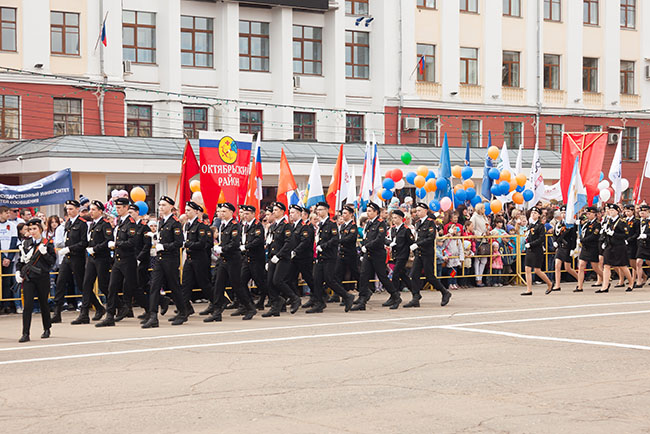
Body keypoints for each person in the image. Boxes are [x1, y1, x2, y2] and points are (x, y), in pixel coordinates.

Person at [142, 196, 185, 328]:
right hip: (160, 259)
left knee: (174, 286)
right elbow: (163, 237)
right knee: (154, 285)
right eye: (160, 205)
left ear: (171, 207)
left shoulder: (175, 222)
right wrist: (155, 238)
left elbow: (179, 242)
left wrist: (165, 246)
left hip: (170, 259)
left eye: (164, 205)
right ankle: (153, 316)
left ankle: (183, 312)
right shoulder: (161, 222)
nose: (161, 207)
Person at [96, 197, 138, 327]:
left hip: (128, 260)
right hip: (118, 261)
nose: (117, 210)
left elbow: (132, 242)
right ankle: (110, 316)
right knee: (112, 287)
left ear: (126, 208)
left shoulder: (130, 223)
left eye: (119, 207)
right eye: (116, 207)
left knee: (134, 287)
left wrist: (116, 244)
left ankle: (151, 308)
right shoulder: (120, 222)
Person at [352, 202, 401, 311]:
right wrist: (364, 249)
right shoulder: (369, 223)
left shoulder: (380, 223)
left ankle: (395, 296)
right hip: (368, 254)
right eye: (367, 211)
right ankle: (362, 300)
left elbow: (379, 239)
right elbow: (367, 237)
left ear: (376, 212)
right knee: (363, 276)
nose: (368, 213)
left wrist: (367, 246)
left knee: (382, 277)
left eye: (370, 211)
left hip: (377, 254)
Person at [307, 202, 353, 313]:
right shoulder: (320, 224)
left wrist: (323, 246)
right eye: (317, 210)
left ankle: (347, 296)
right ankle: (319, 303)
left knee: (330, 280)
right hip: (320, 257)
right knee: (316, 280)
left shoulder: (331, 224)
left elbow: (335, 239)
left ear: (327, 210)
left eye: (321, 209)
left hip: (329, 257)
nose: (318, 212)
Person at [15, 218, 55, 343]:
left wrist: (45, 254)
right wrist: (18, 271)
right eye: (30, 229)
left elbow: (52, 262)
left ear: (40, 229)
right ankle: (25, 333)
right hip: (29, 278)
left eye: (34, 229)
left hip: (42, 277)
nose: (32, 231)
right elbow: (21, 261)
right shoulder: (25, 243)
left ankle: (47, 328)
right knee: (27, 305)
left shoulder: (47, 243)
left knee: (43, 303)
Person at [71, 201, 111, 324]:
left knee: (104, 285)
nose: (91, 212)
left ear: (100, 211)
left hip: (101, 258)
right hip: (92, 259)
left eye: (94, 210)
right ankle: (84, 314)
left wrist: (95, 248)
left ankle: (116, 306)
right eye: (90, 209)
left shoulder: (105, 224)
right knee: (86, 284)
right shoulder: (92, 224)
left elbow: (108, 240)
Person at [407, 202, 452, 307]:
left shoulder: (430, 223)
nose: (417, 212)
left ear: (425, 211)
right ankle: (415, 297)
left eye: (419, 210)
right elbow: (417, 237)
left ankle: (445, 292)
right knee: (414, 275)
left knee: (429, 275)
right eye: (416, 210)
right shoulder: (418, 223)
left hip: (427, 253)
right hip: (419, 253)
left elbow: (430, 238)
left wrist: (417, 244)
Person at [261, 202, 301, 317]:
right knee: (269, 282)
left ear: (283, 212)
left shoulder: (286, 225)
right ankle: (276, 306)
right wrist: (269, 259)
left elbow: (289, 243)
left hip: (282, 257)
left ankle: (294, 298)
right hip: (273, 257)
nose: (274, 212)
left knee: (277, 280)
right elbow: (270, 243)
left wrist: (279, 255)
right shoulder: (273, 226)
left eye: (276, 210)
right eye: (273, 210)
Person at [52, 200, 88, 323]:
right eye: (67, 209)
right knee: (60, 283)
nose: (69, 211)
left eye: (71, 209)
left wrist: (70, 248)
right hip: (67, 258)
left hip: (77, 258)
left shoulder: (82, 223)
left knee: (82, 284)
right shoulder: (68, 223)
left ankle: (93, 308)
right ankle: (57, 312)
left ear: (78, 209)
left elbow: (84, 242)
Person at [178, 201, 212, 320]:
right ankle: (185, 309)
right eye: (186, 210)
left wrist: (187, 244)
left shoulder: (201, 226)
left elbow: (202, 244)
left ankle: (217, 303)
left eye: (189, 210)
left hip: (199, 259)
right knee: (185, 284)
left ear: (196, 211)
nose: (186, 213)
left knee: (204, 284)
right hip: (190, 258)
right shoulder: (187, 225)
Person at [239, 204, 268, 311]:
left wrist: (245, 247)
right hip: (247, 259)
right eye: (244, 213)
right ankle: (248, 303)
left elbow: (258, 240)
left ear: (252, 214)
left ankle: (272, 299)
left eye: (247, 214)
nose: (245, 216)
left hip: (256, 259)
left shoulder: (257, 225)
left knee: (260, 282)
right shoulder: (245, 226)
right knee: (241, 282)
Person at [599, 203, 633, 293]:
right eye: (610, 210)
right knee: (606, 265)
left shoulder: (622, 222)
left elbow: (625, 235)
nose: (611, 212)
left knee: (622, 266)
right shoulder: (608, 221)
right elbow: (605, 233)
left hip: (619, 246)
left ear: (617, 211)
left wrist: (614, 234)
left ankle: (630, 282)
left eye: (613, 210)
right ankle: (605, 286)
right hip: (609, 246)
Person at [521, 207, 553, 296]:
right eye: (532, 212)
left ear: (538, 215)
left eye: (535, 213)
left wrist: (531, 244)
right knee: (527, 269)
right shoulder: (531, 225)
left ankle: (549, 283)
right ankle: (529, 289)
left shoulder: (540, 225)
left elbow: (541, 239)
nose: (533, 214)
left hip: (537, 250)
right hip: (529, 250)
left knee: (537, 270)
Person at [385, 209, 412, 306]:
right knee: (403, 275)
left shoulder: (406, 229)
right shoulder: (392, 229)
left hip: (403, 255)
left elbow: (411, 242)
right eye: (393, 218)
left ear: (401, 218)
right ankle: (415, 292)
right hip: (395, 255)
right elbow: (387, 239)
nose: (393, 219)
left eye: (395, 218)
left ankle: (395, 297)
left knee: (395, 275)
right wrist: (389, 243)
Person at [288, 205, 314, 302]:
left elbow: (305, 242)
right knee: (290, 278)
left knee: (308, 278)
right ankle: (294, 298)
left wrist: (295, 251)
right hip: (294, 258)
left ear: (299, 213)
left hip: (304, 257)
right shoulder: (293, 226)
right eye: (290, 213)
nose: (291, 215)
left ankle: (319, 297)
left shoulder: (304, 226)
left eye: (293, 212)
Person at [575, 206, 603, 292]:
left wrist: (583, 240)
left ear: (594, 214)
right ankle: (579, 286)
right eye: (587, 213)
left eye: (589, 213)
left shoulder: (597, 224)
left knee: (595, 267)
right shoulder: (586, 223)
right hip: (585, 247)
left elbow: (594, 236)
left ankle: (605, 279)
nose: (588, 215)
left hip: (592, 247)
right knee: (581, 266)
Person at [551, 207, 578, 292]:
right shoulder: (558, 224)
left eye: (565, 212)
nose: (563, 214)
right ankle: (557, 285)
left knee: (568, 268)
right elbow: (555, 234)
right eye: (562, 212)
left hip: (567, 248)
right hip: (560, 247)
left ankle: (580, 279)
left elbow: (573, 237)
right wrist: (555, 241)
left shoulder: (571, 224)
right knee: (557, 265)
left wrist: (573, 249)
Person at [335, 204, 360, 295]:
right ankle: (338, 294)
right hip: (342, 253)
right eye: (342, 213)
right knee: (338, 274)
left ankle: (364, 290)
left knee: (355, 273)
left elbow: (350, 238)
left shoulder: (353, 226)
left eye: (345, 213)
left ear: (351, 214)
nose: (343, 215)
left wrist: (337, 241)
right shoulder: (343, 226)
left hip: (350, 254)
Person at [0, 205, 19, 313]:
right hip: (1, 257)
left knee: (7, 282)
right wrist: (2, 257)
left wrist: (8, 258)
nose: (8, 214)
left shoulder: (11, 225)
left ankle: (6, 304)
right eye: (6, 212)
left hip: (9, 258)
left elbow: (14, 241)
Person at [622, 204, 639, 286]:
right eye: (626, 211)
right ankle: (635, 278)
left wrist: (629, 240)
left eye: (629, 211)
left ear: (633, 211)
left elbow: (637, 233)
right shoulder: (624, 221)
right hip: (625, 243)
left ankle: (639, 277)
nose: (627, 213)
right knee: (628, 262)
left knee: (633, 263)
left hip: (633, 243)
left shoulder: (636, 221)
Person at [635, 204, 650, 288]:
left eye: (644, 211)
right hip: (641, 244)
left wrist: (647, 236)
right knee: (638, 262)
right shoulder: (638, 221)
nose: (642, 213)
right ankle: (639, 281)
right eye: (641, 211)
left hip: (649, 243)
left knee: (648, 262)